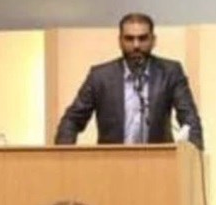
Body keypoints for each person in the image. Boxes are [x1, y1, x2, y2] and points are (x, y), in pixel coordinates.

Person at [54, 13, 204, 150]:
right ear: (120, 41)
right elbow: (72, 120)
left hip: (159, 164)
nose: (136, 45)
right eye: (129, 39)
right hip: (112, 164)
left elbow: (190, 120)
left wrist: (194, 159)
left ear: (153, 40)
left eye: (143, 38)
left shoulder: (170, 72)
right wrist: (63, 159)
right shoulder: (100, 77)